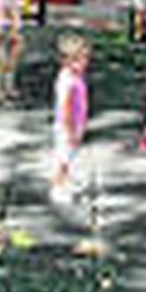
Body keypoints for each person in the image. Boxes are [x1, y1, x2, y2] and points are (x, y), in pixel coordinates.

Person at [51, 34, 91, 204]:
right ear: (66, 61)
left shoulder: (75, 76)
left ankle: (65, 181)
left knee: (69, 156)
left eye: (85, 58)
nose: (84, 63)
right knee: (63, 158)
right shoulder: (67, 80)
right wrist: (71, 131)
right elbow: (65, 108)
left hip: (76, 123)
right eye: (78, 60)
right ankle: (57, 187)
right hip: (68, 126)